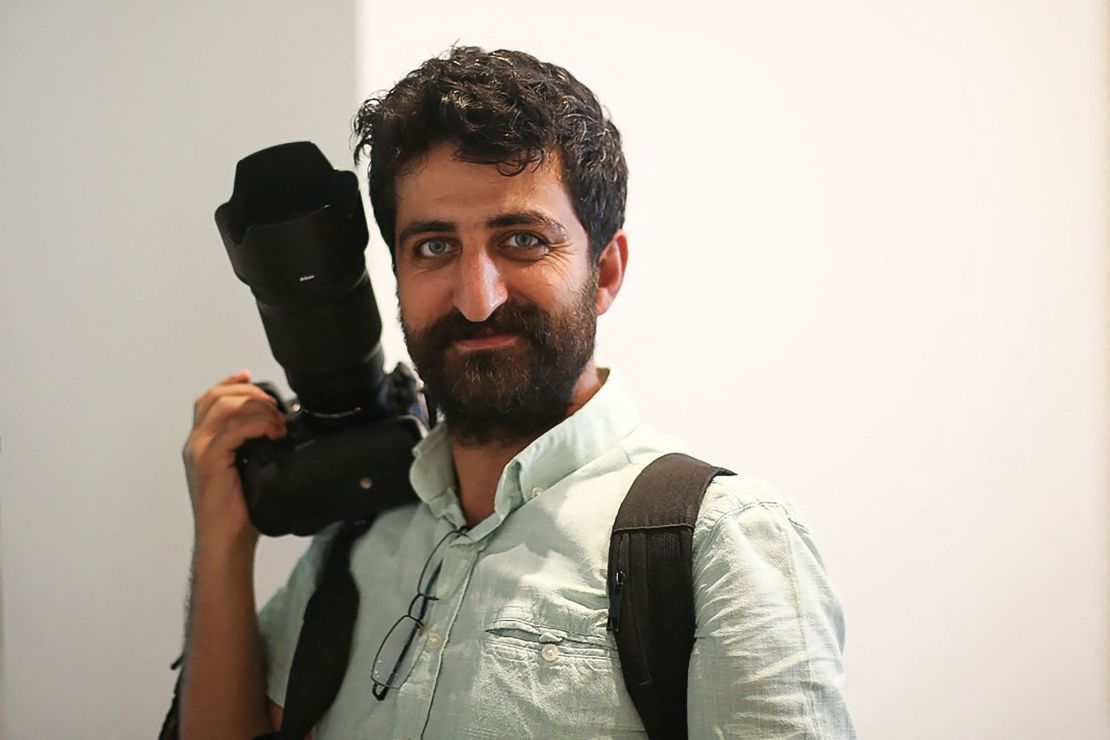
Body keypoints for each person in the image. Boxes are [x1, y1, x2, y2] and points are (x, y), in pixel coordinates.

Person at [179, 47, 855, 739]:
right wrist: (223, 542)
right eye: (435, 247)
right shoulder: (356, 543)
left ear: (607, 271)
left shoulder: (717, 539)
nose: (477, 299)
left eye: (523, 240)